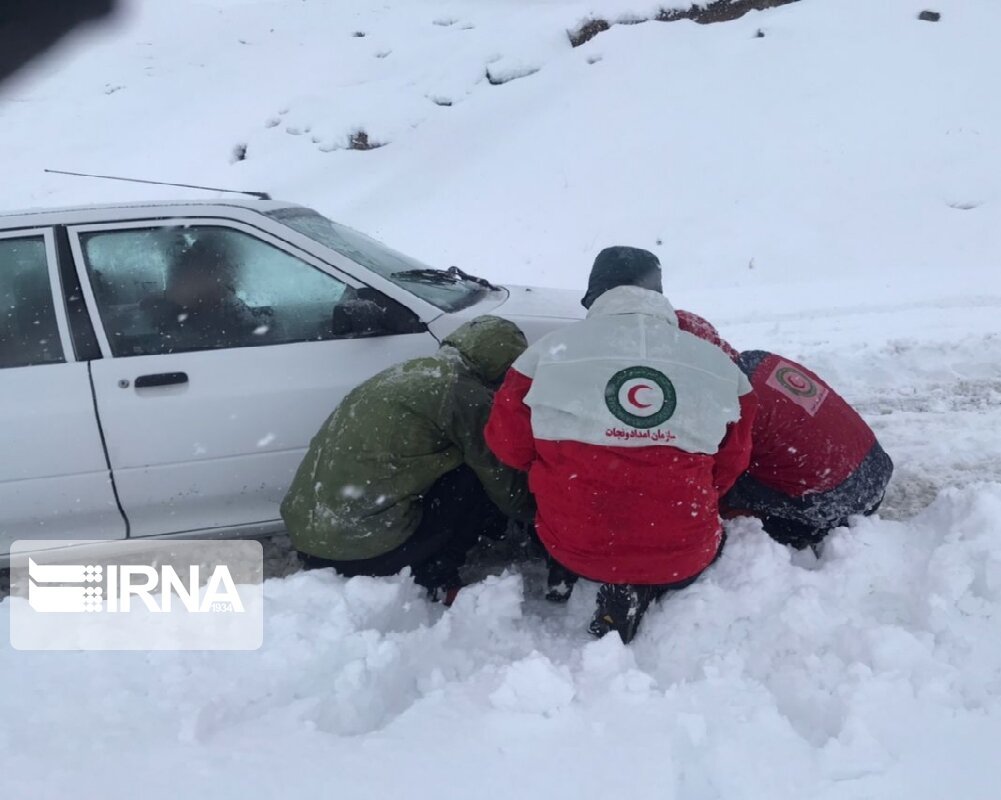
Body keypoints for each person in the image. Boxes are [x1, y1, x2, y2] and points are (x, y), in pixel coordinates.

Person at [485, 246, 756, 643]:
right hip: (685, 551)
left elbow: (507, 447)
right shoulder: (720, 366)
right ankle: (640, 583)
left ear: (596, 294)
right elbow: (730, 465)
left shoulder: (544, 356)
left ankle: (595, 575)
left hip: (572, 544)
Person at [281, 315, 534, 603]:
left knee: (449, 459)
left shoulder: (406, 373)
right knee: (473, 476)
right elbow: (501, 476)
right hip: (361, 551)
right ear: (502, 367)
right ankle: (436, 578)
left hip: (311, 539)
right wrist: (543, 518)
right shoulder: (464, 393)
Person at [675, 312, 893, 552]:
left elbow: (716, 477)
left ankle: (790, 532)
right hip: (875, 467)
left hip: (841, 502)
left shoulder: (729, 401)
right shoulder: (757, 360)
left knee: (706, 476)